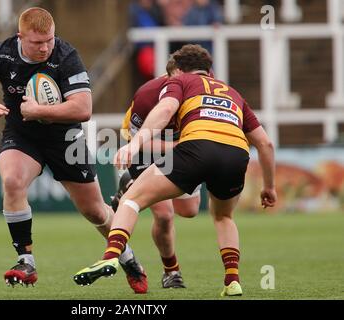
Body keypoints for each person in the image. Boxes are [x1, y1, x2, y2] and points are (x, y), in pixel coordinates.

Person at [0, 7, 147, 293]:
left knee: (95, 211)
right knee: (12, 181)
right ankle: (25, 261)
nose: (45, 48)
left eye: (49, 40)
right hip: (22, 135)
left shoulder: (66, 55)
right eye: (37, 43)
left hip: (66, 139)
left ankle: (129, 258)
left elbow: (83, 109)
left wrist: (39, 110)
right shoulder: (2, 53)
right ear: (21, 37)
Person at [74, 44, 277, 296]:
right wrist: (269, 187)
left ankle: (112, 253)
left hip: (193, 150)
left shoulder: (179, 81)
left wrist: (134, 147)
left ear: (179, 71)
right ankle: (228, 279)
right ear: (208, 72)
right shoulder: (229, 92)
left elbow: (167, 109)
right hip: (233, 155)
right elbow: (265, 143)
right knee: (211, 216)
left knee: (150, 204)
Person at [108, 55, 202, 289]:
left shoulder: (203, 92)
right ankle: (171, 271)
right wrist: (178, 146)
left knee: (189, 211)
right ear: (174, 75)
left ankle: (127, 189)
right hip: (144, 148)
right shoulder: (147, 95)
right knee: (164, 215)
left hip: (181, 147)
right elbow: (138, 142)